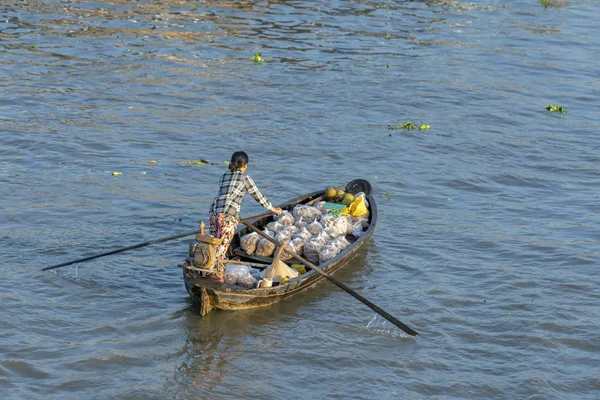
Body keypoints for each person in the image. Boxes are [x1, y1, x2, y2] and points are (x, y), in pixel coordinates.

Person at [208, 151, 282, 282]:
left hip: (214, 214)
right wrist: (273, 208)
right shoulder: (245, 178)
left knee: (214, 245)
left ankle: (208, 270)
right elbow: (258, 196)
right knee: (222, 248)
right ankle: (217, 278)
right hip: (228, 217)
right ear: (245, 166)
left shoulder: (224, 175)